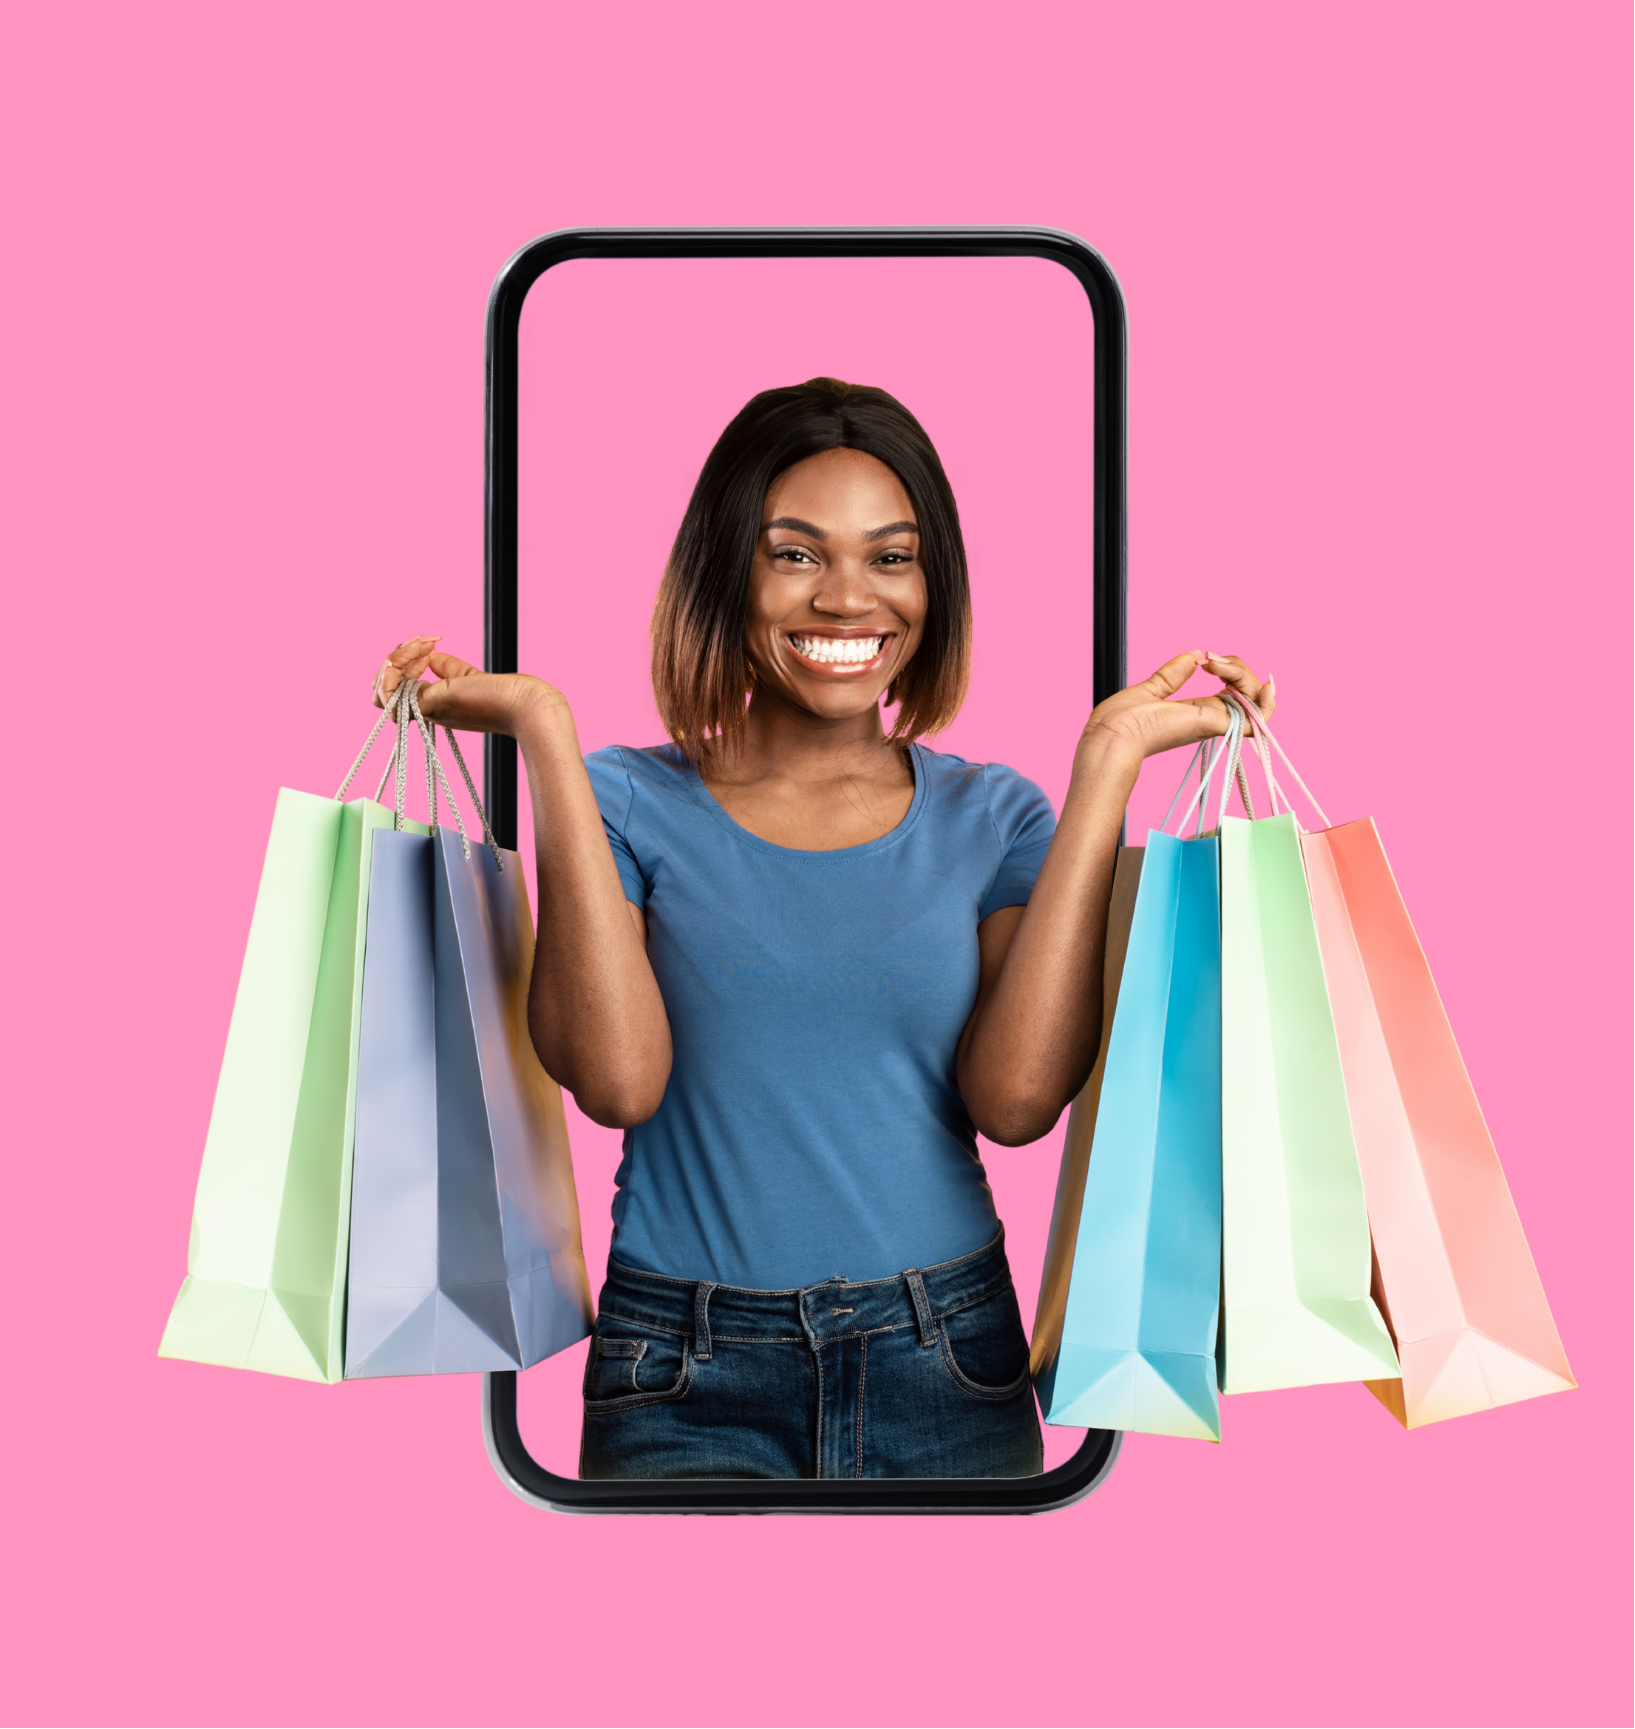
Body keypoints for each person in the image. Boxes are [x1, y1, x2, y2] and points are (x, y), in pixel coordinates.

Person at [374, 377, 1272, 1480]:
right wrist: (545, 737)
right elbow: (615, 1082)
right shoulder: (620, 801)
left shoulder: (996, 817)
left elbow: (1020, 1103)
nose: (848, 598)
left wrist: (1105, 771)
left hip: (948, 1353)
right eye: (795, 553)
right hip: (682, 1366)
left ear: (931, 585)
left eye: (891, 557)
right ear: (726, 575)